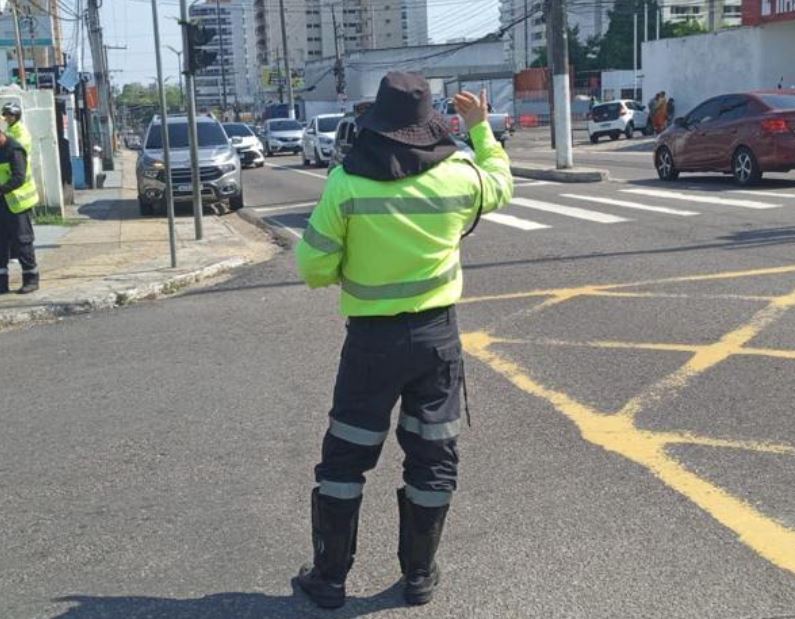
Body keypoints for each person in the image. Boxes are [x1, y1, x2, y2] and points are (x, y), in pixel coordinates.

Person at [294, 71, 513, 609]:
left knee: (346, 458)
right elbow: (501, 187)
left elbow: (313, 265)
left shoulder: (347, 182)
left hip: (370, 344)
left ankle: (329, 580)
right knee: (432, 454)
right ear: (427, 124)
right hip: (437, 340)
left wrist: (349, 267)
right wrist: (481, 129)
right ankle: (418, 575)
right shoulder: (459, 174)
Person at [0, 128, 40, 294]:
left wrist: (1, 189)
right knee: (1, 244)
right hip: (2, 204)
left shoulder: (14, 149)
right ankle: (2, 284)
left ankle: (31, 279)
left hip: (18, 204)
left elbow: (19, 177)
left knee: (22, 242)